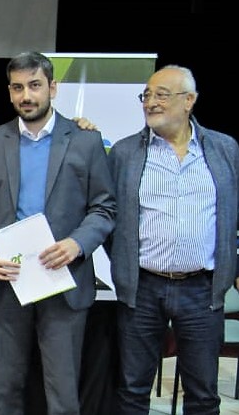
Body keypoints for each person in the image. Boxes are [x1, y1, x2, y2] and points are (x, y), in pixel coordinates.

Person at [0, 51, 116, 415]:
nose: (27, 95)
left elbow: (104, 207)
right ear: (9, 92)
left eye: (35, 85)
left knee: (63, 395)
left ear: (53, 87)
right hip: (7, 283)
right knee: (5, 393)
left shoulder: (85, 140)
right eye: (18, 87)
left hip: (63, 280)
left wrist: (77, 244)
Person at [106, 64, 239, 415]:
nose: (150, 102)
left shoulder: (225, 149)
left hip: (202, 289)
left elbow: (232, 214)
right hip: (142, 289)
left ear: (189, 100)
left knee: (203, 395)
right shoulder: (124, 153)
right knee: (132, 391)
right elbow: (108, 218)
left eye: (161, 95)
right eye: (146, 95)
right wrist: (123, 264)